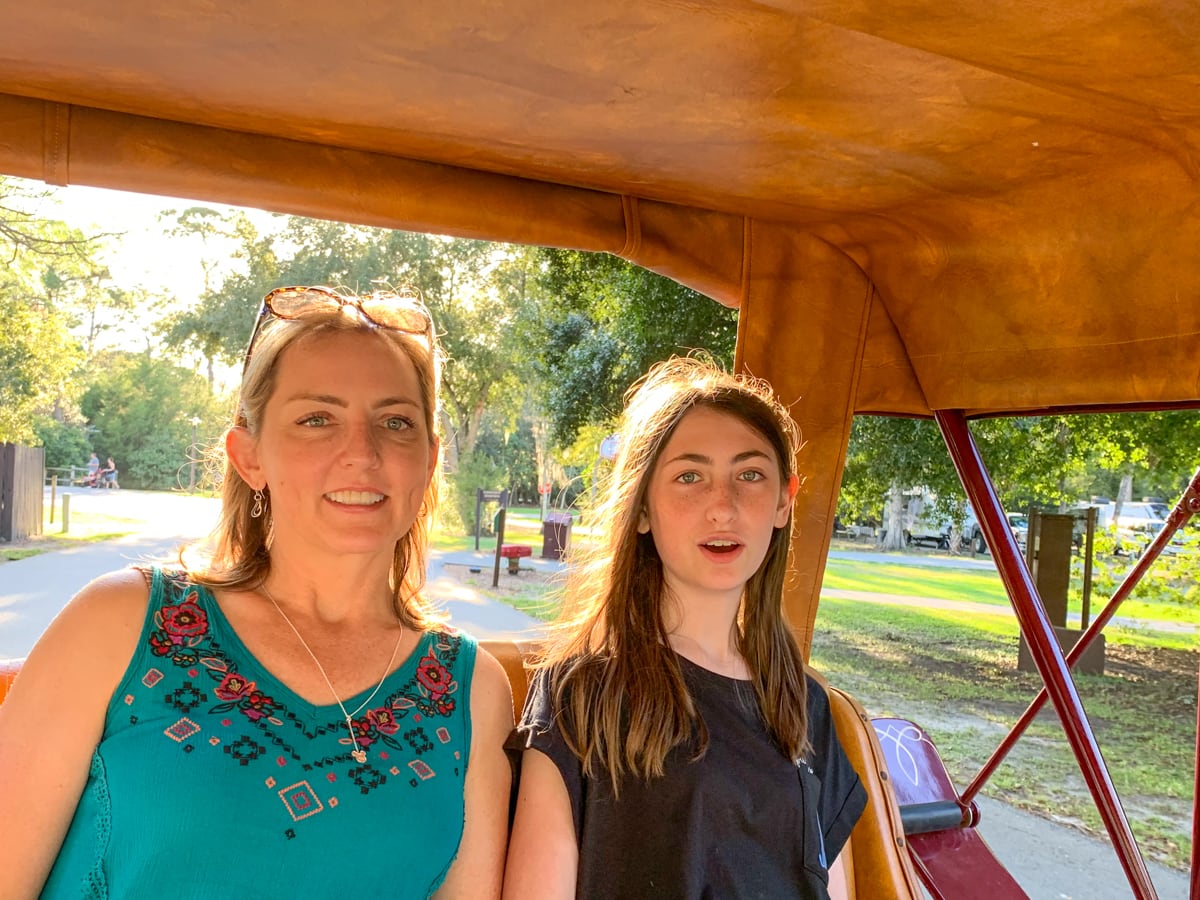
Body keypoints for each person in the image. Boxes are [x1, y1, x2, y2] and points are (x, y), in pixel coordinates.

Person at [0, 285, 514, 898]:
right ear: (249, 456)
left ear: (429, 461)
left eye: (395, 421)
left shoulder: (470, 691)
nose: (362, 452)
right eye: (317, 419)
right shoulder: (120, 623)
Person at [504, 356, 867, 899]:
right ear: (643, 507)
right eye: (689, 477)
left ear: (784, 502)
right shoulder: (579, 694)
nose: (722, 507)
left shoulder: (805, 701)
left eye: (750, 475)